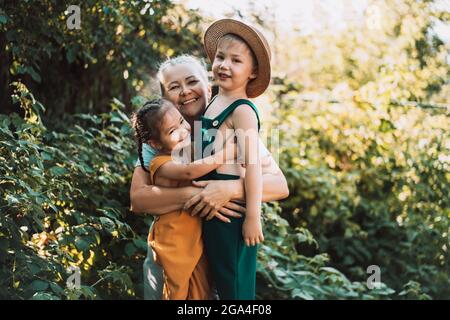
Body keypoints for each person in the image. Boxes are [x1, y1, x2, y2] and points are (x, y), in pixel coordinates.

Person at [130, 55, 289, 299]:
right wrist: (200, 195)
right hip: (174, 250)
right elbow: (139, 199)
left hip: (220, 248)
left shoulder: (231, 123)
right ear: (165, 97)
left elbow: (279, 185)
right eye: (174, 87)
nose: (184, 91)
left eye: (192, 81)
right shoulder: (160, 142)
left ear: (208, 85)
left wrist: (229, 190)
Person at [131, 98, 236, 299]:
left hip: (193, 235)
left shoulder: (187, 150)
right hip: (173, 237)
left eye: (181, 121)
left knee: (200, 291)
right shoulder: (160, 163)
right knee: (176, 291)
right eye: (172, 131)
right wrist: (227, 153)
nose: (182, 130)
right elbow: (188, 172)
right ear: (154, 143)